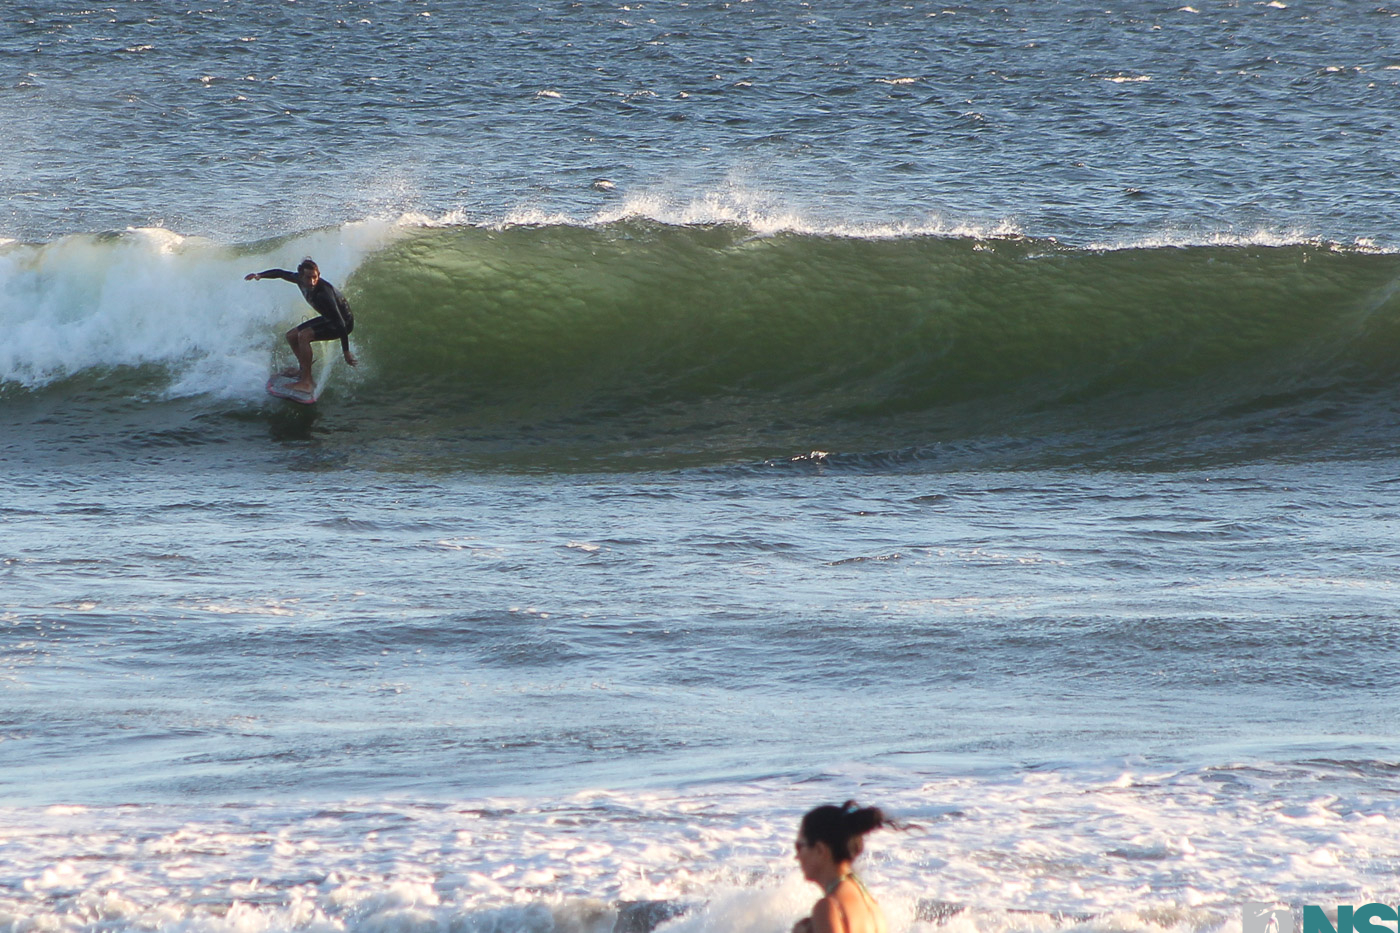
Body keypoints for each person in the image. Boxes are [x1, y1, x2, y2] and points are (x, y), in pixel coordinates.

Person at [245, 258, 357, 393]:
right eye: (308, 277)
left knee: (304, 335)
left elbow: (339, 321)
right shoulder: (297, 279)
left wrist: (346, 351)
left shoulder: (324, 293)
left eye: (314, 277)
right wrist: (260, 275)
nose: (311, 282)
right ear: (300, 276)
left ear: (318, 275)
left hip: (343, 323)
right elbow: (280, 273)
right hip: (328, 318)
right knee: (291, 336)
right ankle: (303, 370)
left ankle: (307, 382)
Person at [792, 801, 895, 933]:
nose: (797, 856)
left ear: (820, 850)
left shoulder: (829, 907)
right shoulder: (869, 902)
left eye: (799, 846)